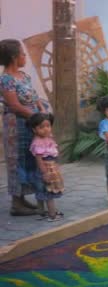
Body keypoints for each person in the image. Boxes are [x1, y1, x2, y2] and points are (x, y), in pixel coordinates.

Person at [0, 39, 49, 216]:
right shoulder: (6, 79)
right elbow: (14, 106)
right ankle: (16, 203)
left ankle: (23, 199)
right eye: (22, 54)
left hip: (32, 124)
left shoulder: (24, 76)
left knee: (31, 159)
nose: (24, 56)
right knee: (17, 161)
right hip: (17, 126)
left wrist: (42, 110)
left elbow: (35, 97)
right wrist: (37, 117)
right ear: (14, 57)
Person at [28, 113, 63, 221]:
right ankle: (52, 215)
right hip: (46, 168)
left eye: (48, 126)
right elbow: (39, 159)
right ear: (34, 129)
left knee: (43, 191)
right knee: (48, 191)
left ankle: (42, 212)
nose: (46, 129)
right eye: (41, 127)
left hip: (51, 167)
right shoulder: (38, 142)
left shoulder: (47, 138)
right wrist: (45, 173)